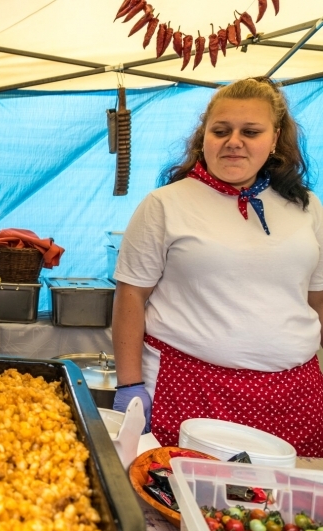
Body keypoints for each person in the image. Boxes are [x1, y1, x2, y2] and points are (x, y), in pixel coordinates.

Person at [111, 77, 323, 457]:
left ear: (274, 139)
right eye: (221, 130)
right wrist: (129, 384)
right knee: (181, 506)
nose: (234, 141)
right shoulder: (165, 204)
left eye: (250, 131)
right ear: (203, 136)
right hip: (190, 388)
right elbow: (131, 295)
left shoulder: (306, 207)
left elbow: (317, 299)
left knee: (283, 512)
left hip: (294, 395)